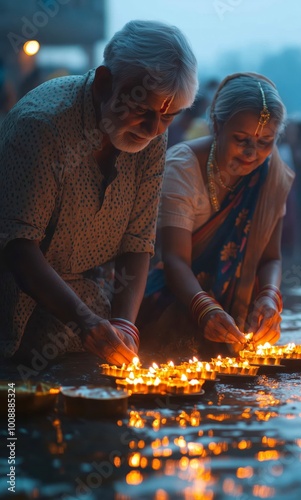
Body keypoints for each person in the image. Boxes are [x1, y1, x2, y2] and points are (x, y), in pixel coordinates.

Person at [0, 20, 198, 367]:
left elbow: (138, 242)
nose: (154, 130)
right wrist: (87, 323)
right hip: (12, 318)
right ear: (106, 83)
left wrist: (123, 325)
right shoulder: (43, 127)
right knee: (17, 416)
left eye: (169, 117)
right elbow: (19, 248)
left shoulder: (151, 135)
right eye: (142, 110)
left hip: (85, 325)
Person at [139, 73, 295, 358]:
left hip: (238, 320)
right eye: (241, 139)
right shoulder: (183, 167)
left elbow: (271, 258)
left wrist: (269, 297)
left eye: (265, 142)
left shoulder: (272, 175)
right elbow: (174, 259)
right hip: (173, 306)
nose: (252, 153)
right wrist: (205, 309)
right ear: (217, 124)